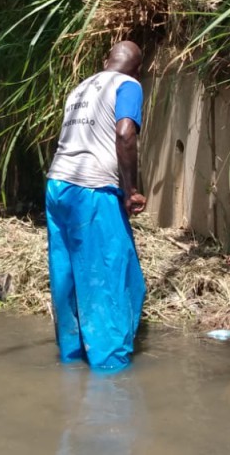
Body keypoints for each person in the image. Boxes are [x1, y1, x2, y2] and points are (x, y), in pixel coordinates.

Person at [45, 40, 147, 371]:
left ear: (106, 60)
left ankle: (72, 356)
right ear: (139, 69)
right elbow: (124, 132)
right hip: (91, 191)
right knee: (110, 275)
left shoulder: (79, 89)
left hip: (57, 186)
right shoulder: (128, 85)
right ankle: (110, 372)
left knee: (68, 274)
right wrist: (130, 190)